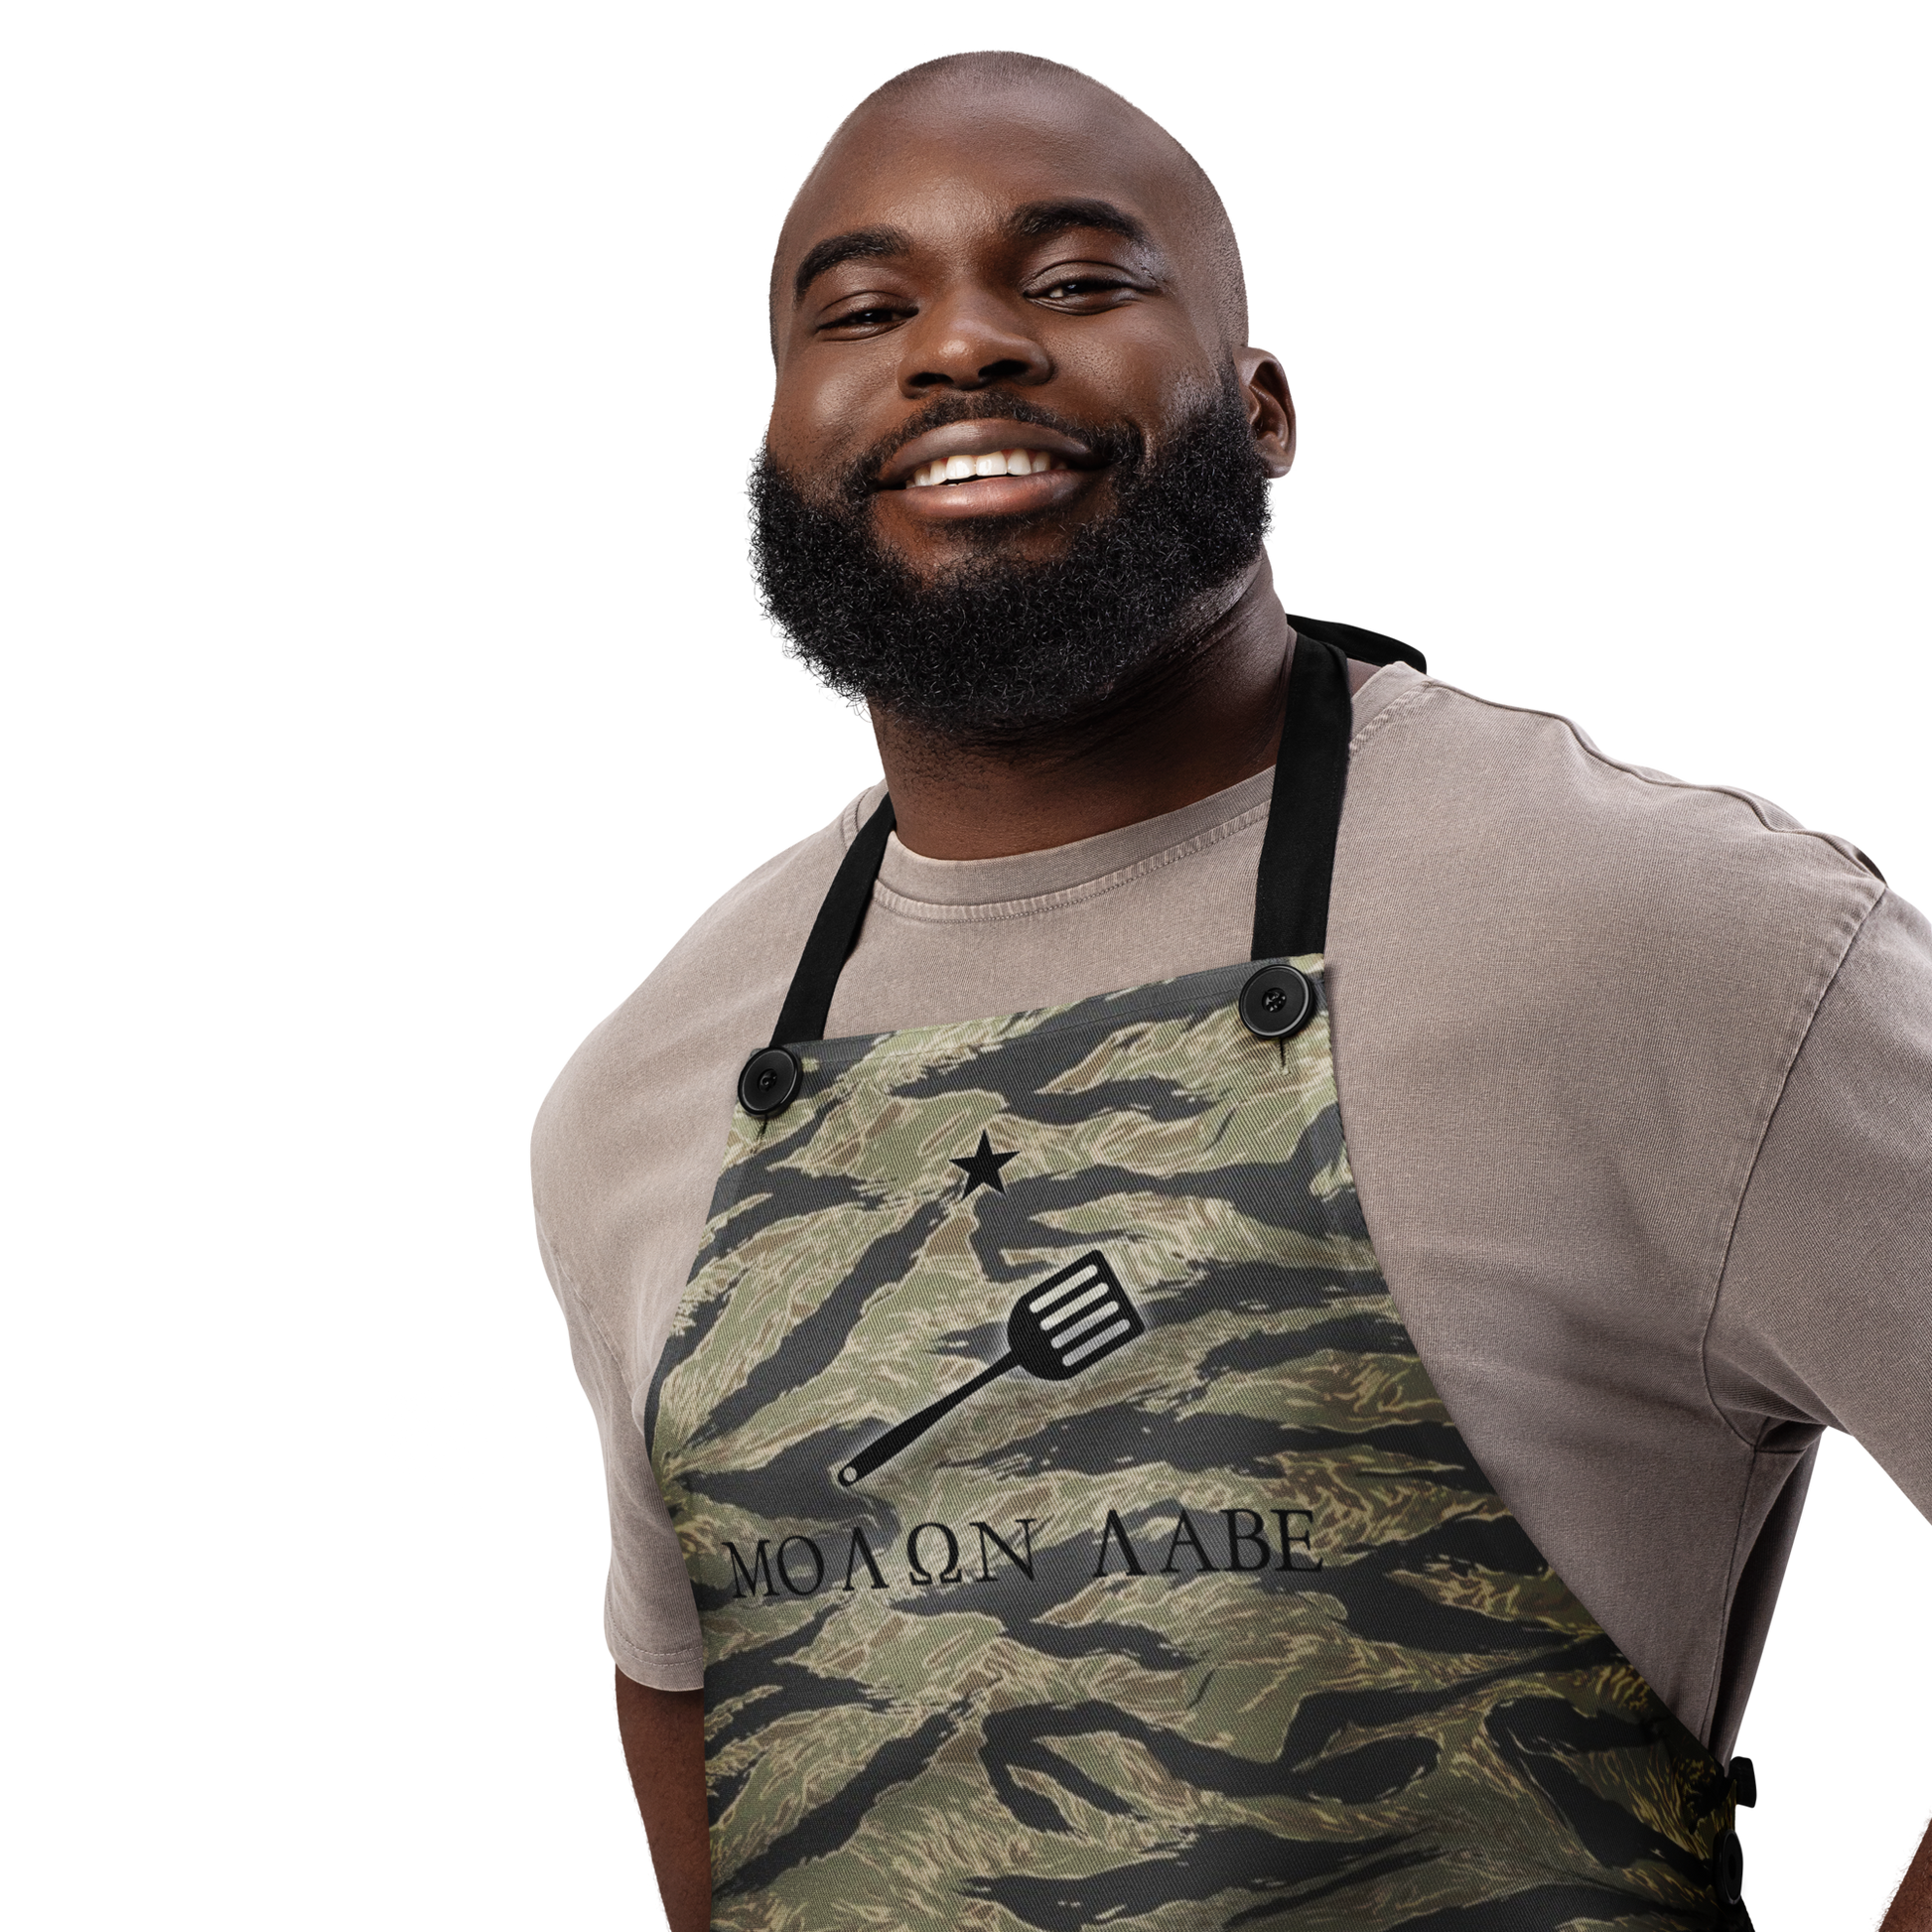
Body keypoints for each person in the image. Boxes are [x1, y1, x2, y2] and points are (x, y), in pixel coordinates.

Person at [527, 46, 1929, 1931]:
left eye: (1073, 279)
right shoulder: (641, 1079)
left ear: (1263, 412)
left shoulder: (1670, 928)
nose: (963, 345)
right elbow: (686, 1693)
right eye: (861, 310)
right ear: (780, 442)